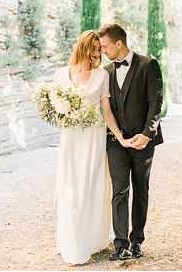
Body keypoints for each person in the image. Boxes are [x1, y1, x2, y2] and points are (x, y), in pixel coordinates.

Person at [53, 30, 132, 265]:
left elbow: (106, 110)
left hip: (94, 139)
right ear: (84, 47)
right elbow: (56, 109)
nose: (99, 54)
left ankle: (91, 239)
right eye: (95, 49)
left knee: (91, 186)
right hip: (71, 138)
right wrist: (65, 115)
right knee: (71, 188)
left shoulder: (101, 76)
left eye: (101, 49)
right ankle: (72, 239)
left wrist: (119, 136)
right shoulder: (60, 75)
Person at [98, 24, 164, 261]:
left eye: (105, 46)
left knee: (141, 189)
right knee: (119, 190)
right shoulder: (105, 72)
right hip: (116, 141)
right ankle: (120, 244)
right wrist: (118, 137)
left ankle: (137, 241)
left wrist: (147, 134)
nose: (103, 51)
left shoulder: (148, 65)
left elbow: (155, 102)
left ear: (119, 43)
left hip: (142, 140)